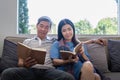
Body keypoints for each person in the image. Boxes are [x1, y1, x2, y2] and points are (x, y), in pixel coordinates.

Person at [1, 16, 75, 80]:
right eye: (41, 26)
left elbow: (69, 38)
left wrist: (79, 43)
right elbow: (20, 62)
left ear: (49, 29)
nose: (43, 29)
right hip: (30, 70)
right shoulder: (27, 41)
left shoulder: (54, 42)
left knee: (68, 78)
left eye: (46, 27)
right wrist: (25, 64)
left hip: (48, 71)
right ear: (37, 26)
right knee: (7, 73)